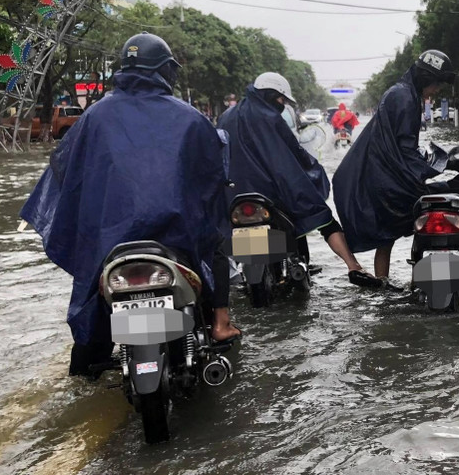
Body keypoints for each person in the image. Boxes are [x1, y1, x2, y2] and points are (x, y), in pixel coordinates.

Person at [19, 32, 239, 377]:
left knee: (91, 300)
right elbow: (213, 176)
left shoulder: (94, 116)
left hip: (111, 241)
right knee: (215, 247)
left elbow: (64, 165)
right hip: (177, 237)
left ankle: (88, 368)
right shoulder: (191, 117)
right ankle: (222, 324)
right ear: (166, 71)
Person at [217, 72, 374, 283]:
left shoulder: (226, 116)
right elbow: (292, 154)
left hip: (231, 195)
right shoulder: (270, 117)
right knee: (320, 214)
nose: (281, 104)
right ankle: (353, 266)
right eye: (281, 100)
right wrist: (313, 170)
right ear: (272, 95)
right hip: (270, 192)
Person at [332, 50, 455, 289]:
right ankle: (418, 282)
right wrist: (431, 168)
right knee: (425, 217)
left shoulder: (401, 92)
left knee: (386, 237)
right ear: (425, 79)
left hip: (383, 175)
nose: (436, 90)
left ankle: (383, 284)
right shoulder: (405, 98)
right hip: (390, 178)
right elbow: (405, 147)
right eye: (436, 84)